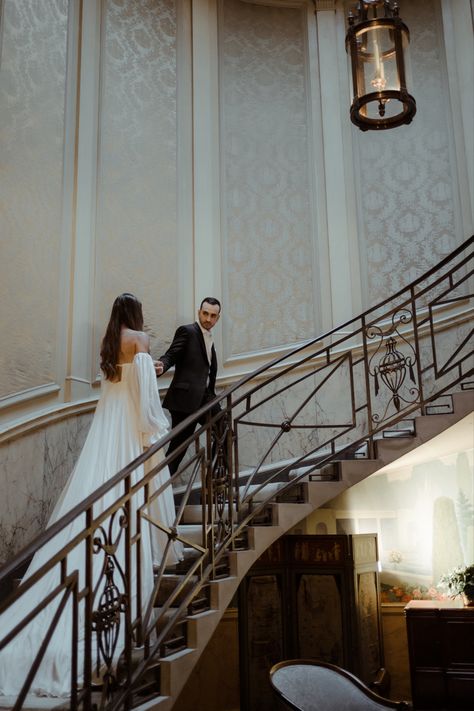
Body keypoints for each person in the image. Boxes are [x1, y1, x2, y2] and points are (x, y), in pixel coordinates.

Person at [0, 293, 182, 698]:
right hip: (128, 428)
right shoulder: (140, 339)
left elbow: (117, 386)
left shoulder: (108, 341)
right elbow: (144, 398)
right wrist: (157, 426)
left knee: (98, 489)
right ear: (136, 314)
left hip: (105, 430)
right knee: (129, 492)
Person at [157, 297, 222, 474]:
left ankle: (217, 478)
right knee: (178, 449)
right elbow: (171, 355)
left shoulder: (210, 338)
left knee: (224, 430)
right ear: (199, 312)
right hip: (185, 400)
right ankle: (158, 492)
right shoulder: (188, 331)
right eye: (205, 313)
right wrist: (162, 365)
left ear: (217, 318)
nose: (208, 319)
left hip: (206, 397)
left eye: (213, 316)